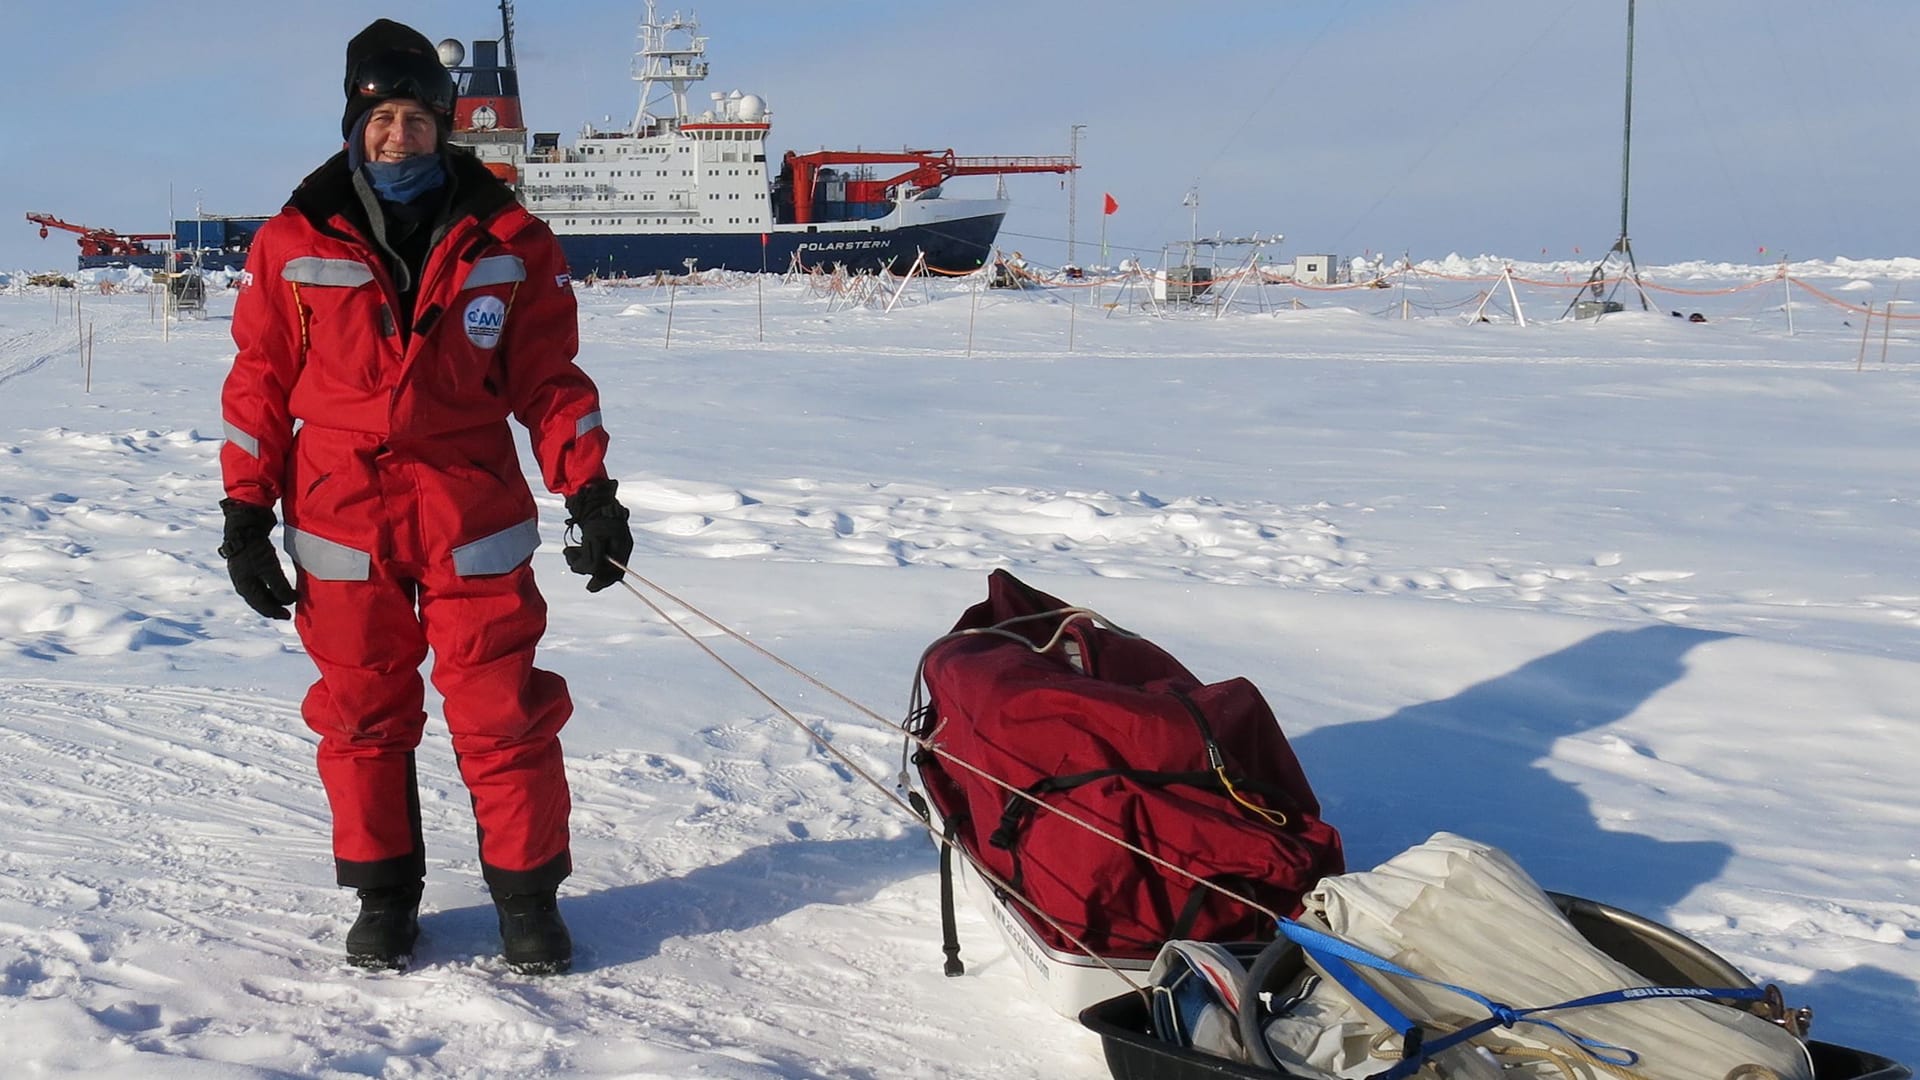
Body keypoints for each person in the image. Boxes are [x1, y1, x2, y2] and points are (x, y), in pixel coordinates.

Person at [216, 18, 634, 975]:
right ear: (354, 125)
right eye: (381, 118)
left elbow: (550, 381)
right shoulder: (291, 242)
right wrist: (245, 514)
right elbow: (258, 387)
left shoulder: (514, 240)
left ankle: (527, 902)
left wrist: (591, 490)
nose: (397, 136)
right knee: (362, 712)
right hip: (337, 507)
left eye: (415, 119)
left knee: (503, 711)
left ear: (448, 127)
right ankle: (384, 896)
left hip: (468, 505)